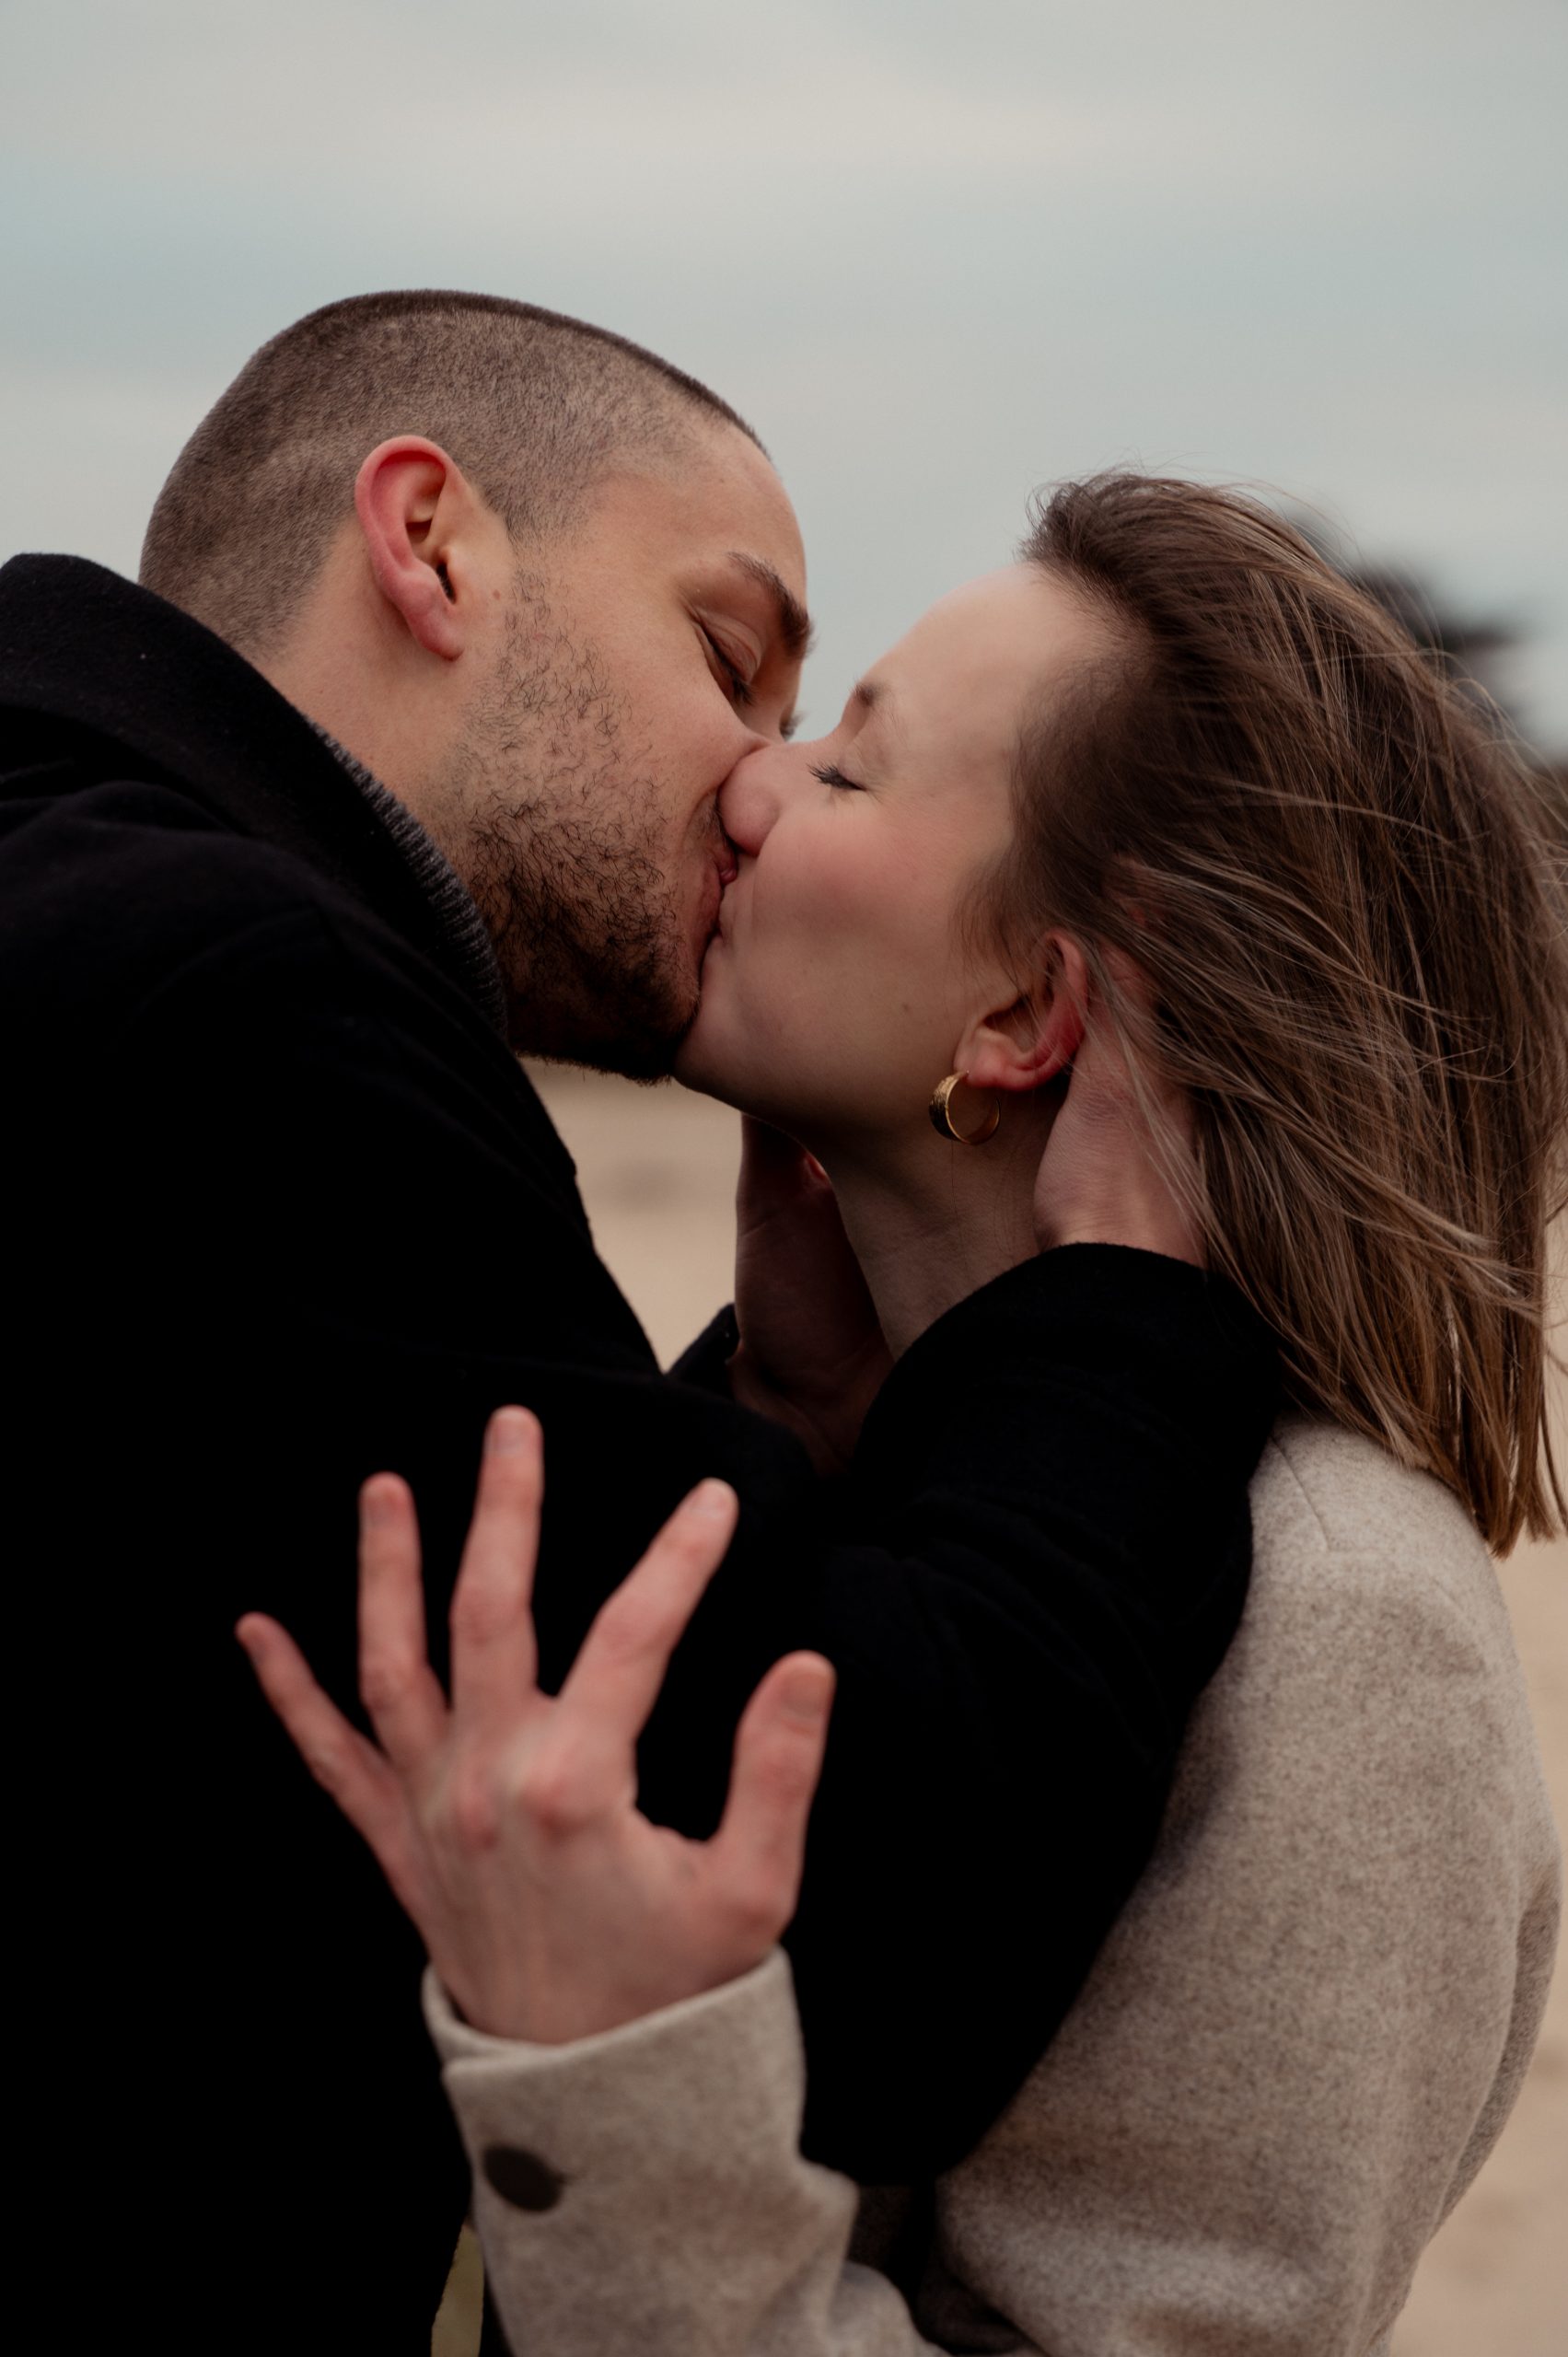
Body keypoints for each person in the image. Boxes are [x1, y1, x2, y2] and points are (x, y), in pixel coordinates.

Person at [1, 301, 1276, 2351]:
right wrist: (1121, 1322)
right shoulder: (224, 997)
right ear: (428, 544)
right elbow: (847, 1919)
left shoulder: (77, 883)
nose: (755, 782)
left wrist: (769, 1409)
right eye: (729, 658)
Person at [247, 474, 1566, 2354]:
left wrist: (611, 2074)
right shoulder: (846, 1458)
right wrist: (769, 1422)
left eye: (849, 770)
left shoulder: (1343, 1617)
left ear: (1027, 1010)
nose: (751, 784)